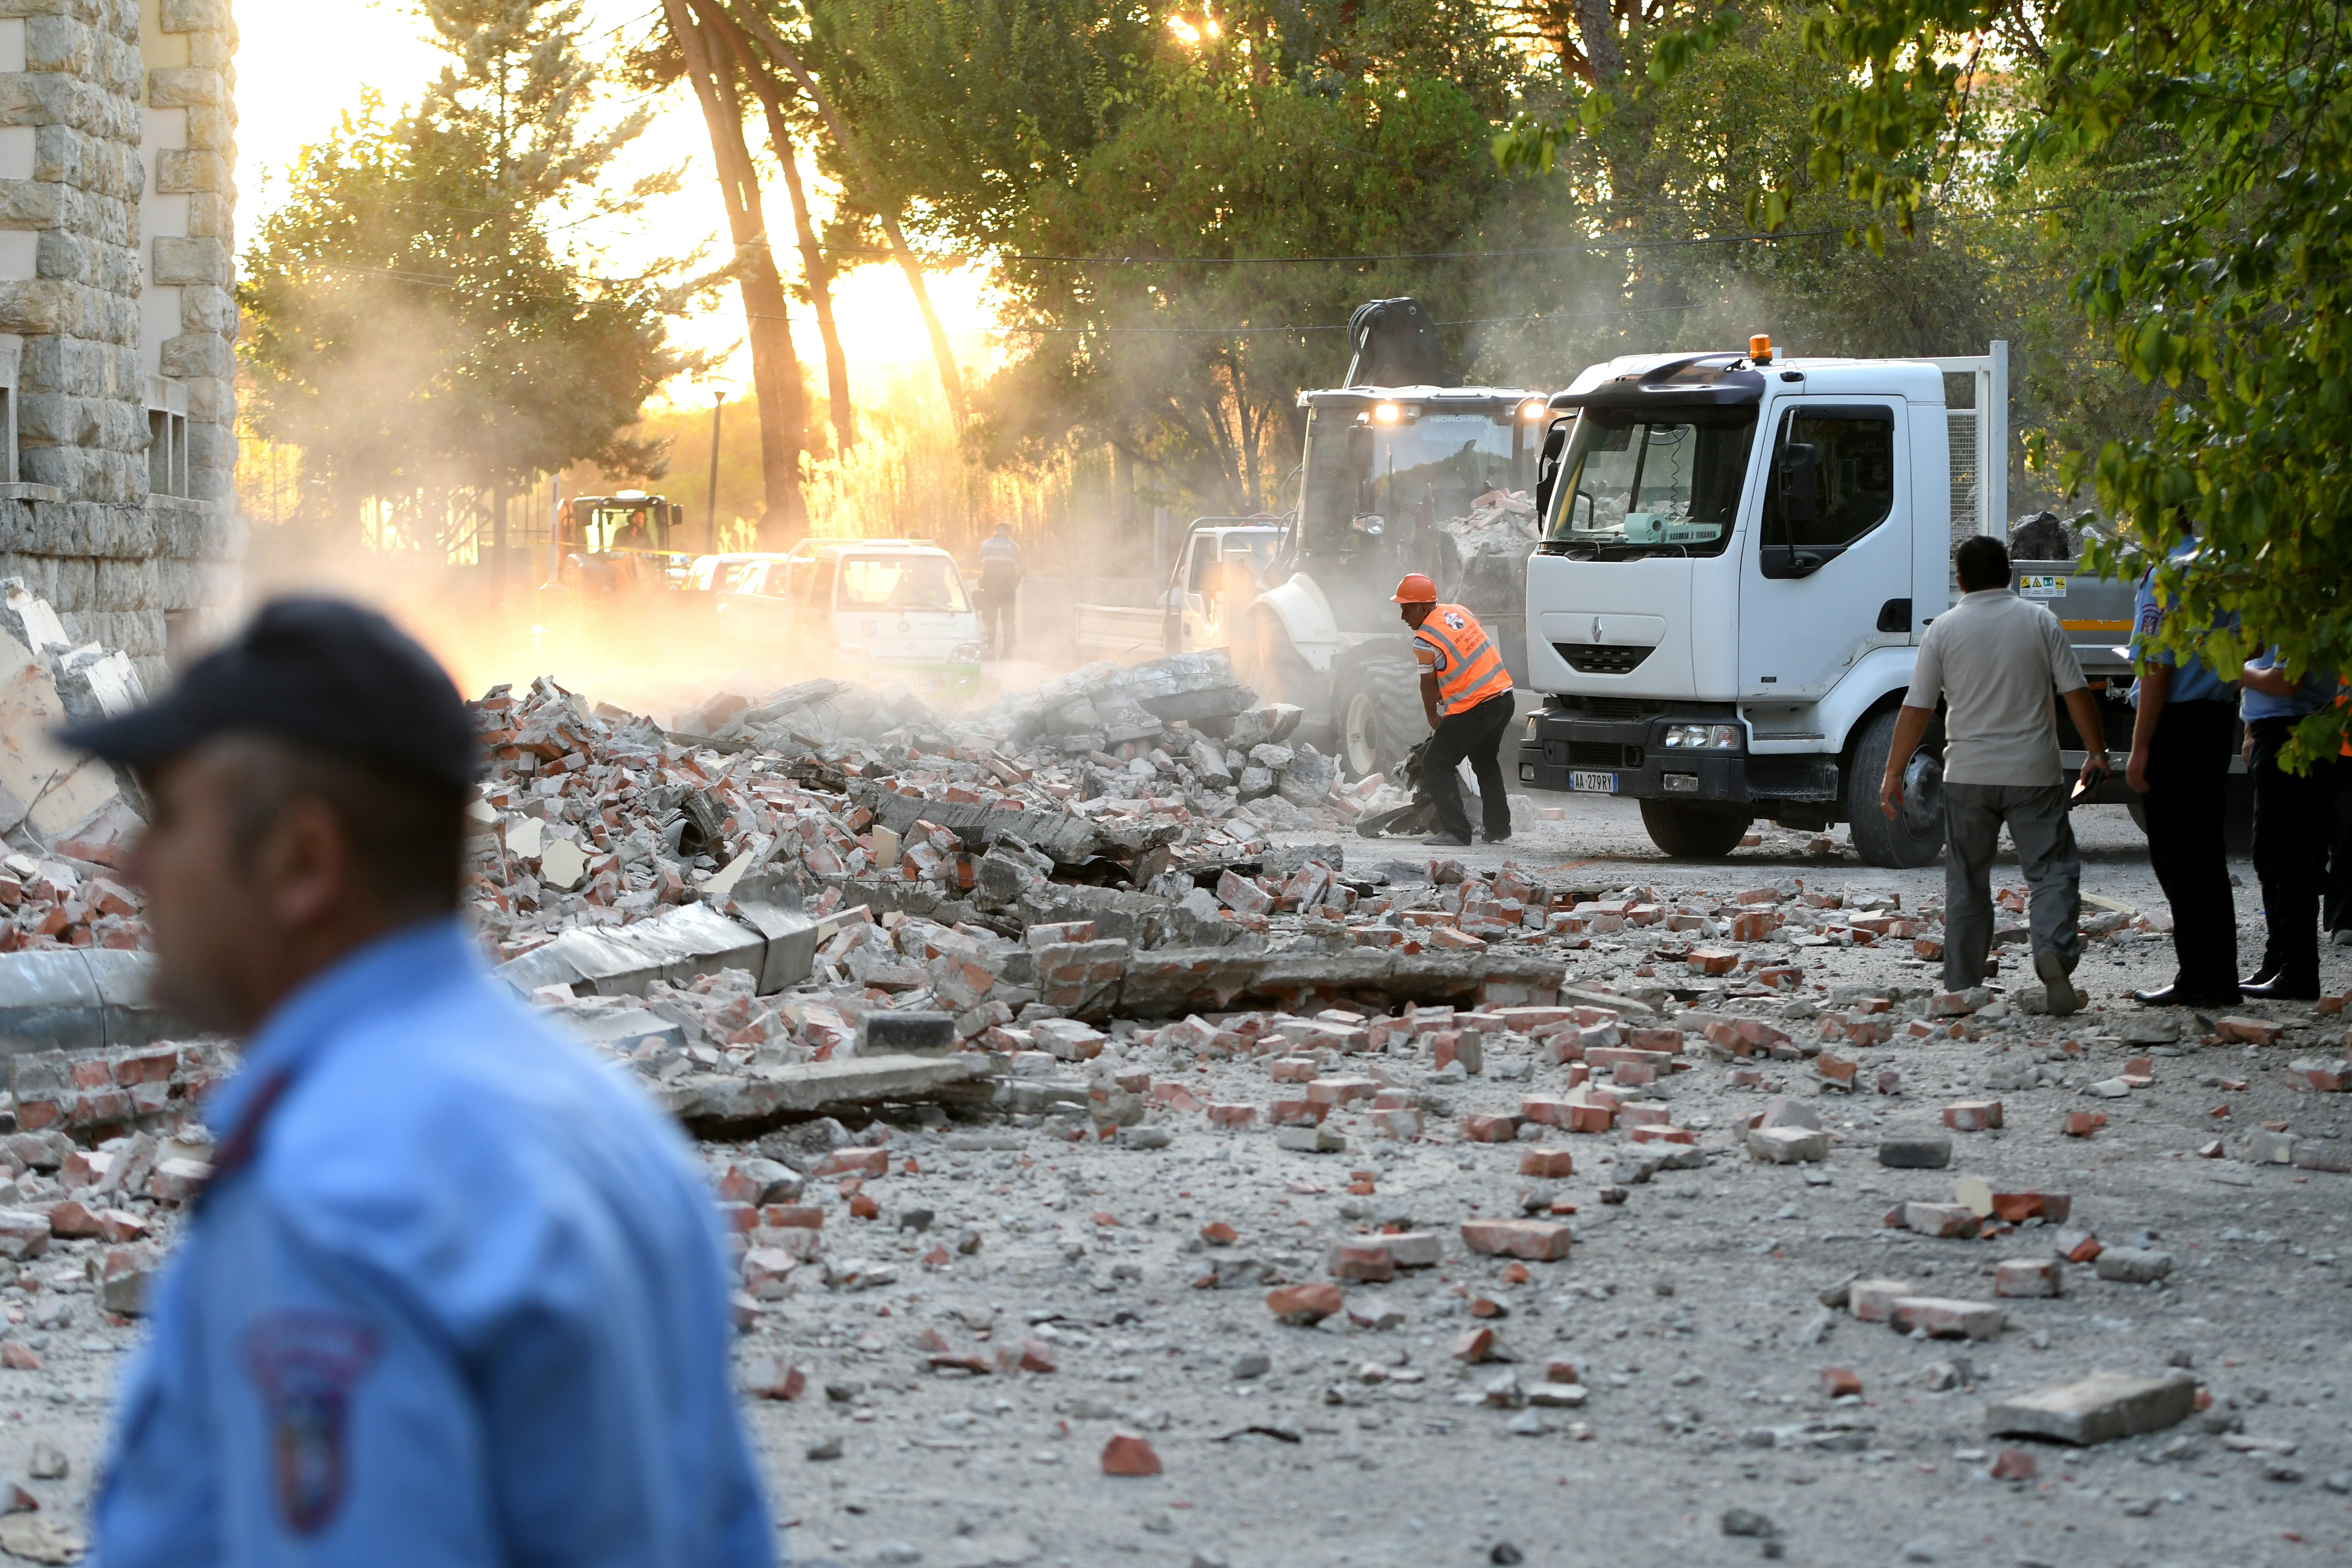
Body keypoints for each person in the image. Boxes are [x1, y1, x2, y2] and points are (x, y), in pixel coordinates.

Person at [73, 599, 776, 1567]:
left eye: (175, 818)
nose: (133, 861)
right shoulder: (615, 1129)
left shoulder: (333, 1196)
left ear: (301, 858)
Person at [1881, 535, 2110, 1015]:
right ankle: (2051, 952)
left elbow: (1916, 707)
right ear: (2009, 574)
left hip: (1968, 773)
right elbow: (2076, 693)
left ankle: (1963, 987)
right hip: (2034, 774)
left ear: (1960, 580)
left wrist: (1893, 772)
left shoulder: (1942, 630)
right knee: (2051, 873)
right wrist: (2096, 751)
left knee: (1966, 879)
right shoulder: (2041, 621)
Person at [2124, 528, 2243, 1007]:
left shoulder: (2168, 573)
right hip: (2217, 716)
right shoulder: (2227, 567)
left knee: (2178, 857)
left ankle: (2200, 977)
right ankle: (2219, 976)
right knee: (2206, 855)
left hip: (2178, 722)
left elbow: (2156, 665)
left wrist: (2140, 747)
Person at [2235, 646, 2341, 997]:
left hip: (2295, 732)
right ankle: (2278, 961)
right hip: (2272, 731)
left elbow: (2288, 681)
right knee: (2268, 857)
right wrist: (2251, 730)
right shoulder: (2271, 613)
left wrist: (2234, 671)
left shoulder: (2292, 614)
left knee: (2290, 861)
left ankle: (2299, 972)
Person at [1396, 572, 1514, 847]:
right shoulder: (1459, 611)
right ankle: (1499, 828)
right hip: (1504, 699)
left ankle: (1457, 831)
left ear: (1423, 608)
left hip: (1476, 708)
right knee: (1485, 761)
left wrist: (1432, 717)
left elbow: (1427, 684)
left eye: (1406, 609)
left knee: (1437, 761)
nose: (1403, 616)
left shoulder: (1424, 640)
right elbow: (1463, 655)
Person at [978, 521, 1021, 657]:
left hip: (990, 588)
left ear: (996, 531)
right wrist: (1016, 582)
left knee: (990, 620)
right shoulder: (1014, 547)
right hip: (1008, 589)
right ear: (1009, 533)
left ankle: (989, 650)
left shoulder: (985, 544)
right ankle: (1008, 652)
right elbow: (1023, 569)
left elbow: (982, 563)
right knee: (1008, 620)